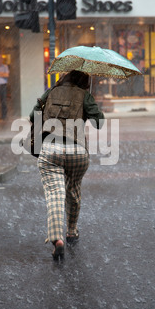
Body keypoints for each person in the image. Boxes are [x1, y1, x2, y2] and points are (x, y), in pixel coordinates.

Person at [29, 70, 104, 261]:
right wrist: (90, 103)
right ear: (85, 81)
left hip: (50, 149)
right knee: (73, 189)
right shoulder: (85, 95)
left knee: (55, 193)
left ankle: (57, 239)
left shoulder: (51, 92)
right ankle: (71, 230)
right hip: (77, 151)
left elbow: (33, 115)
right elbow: (99, 122)